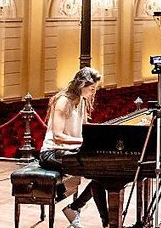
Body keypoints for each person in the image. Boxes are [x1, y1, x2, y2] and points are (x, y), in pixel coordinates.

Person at [39, 67, 109, 227]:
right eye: (92, 88)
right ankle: (106, 222)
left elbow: (83, 130)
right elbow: (57, 136)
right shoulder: (63, 101)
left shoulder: (81, 101)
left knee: (101, 173)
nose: (93, 92)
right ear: (81, 85)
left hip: (69, 150)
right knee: (98, 174)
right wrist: (82, 143)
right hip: (51, 153)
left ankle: (76, 208)